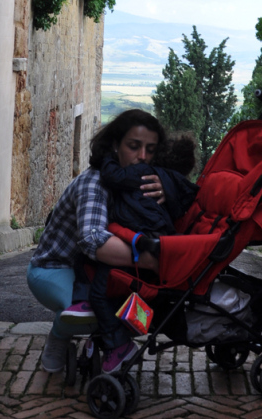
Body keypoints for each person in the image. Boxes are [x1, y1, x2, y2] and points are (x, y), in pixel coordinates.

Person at [26, 109, 167, 376]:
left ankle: (101, 341)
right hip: (54, 267)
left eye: (151, 149)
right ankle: (59, 335)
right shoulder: (95, 182)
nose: (142, 157)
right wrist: (149, 259)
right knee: (87, 313)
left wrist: (167, 187)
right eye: (134, 146)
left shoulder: (138, 181)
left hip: (94, 270)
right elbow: (92, 239)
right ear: (115, 145)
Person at [62, 133, 198, 357]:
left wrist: (107, 155)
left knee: (99, 286)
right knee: (105, 279)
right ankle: (102, 331)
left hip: (140, 241)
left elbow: (114, 176)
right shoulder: (178, 186)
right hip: (149, 241)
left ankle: (116, 344)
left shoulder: (145, 174)